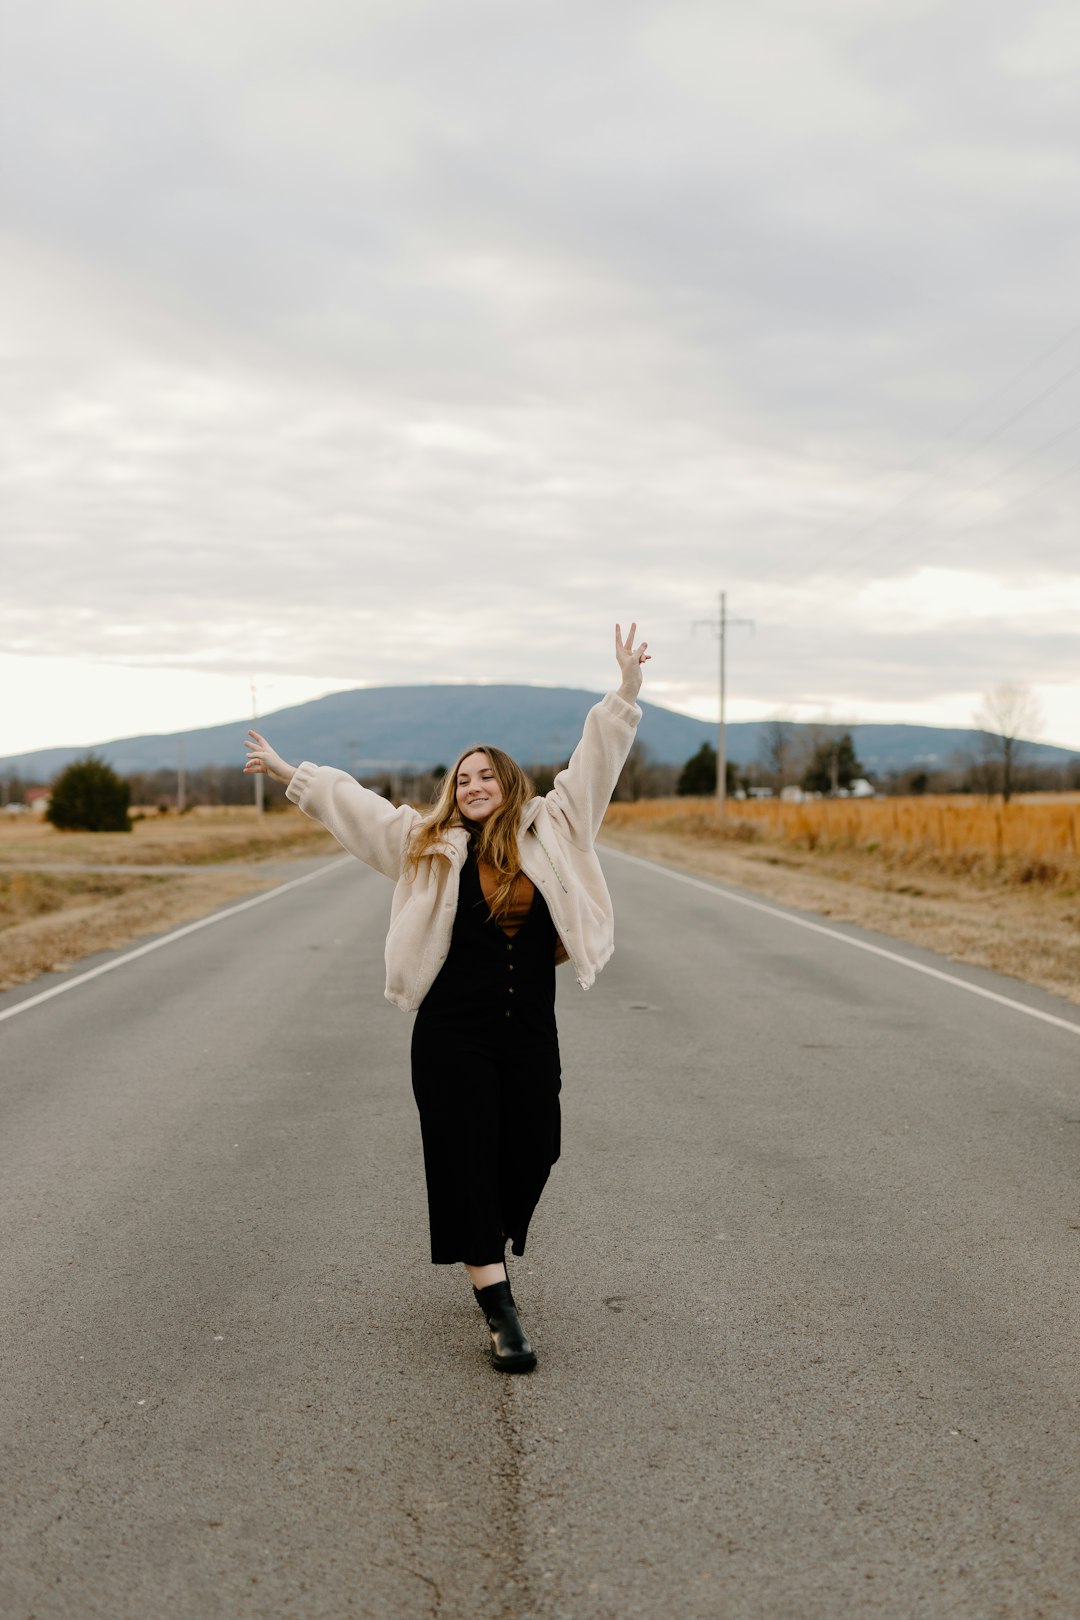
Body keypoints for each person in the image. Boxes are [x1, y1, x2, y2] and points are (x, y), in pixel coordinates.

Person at [243, 622, 650, 1372]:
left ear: (509, 783)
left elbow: (595, 764)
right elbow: (353, 806)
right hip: (451, 1035)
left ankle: (488, 1234)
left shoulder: (555, 827)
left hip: (528, 1027)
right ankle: (500, 1309)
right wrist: (289, 772)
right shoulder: (424, 844)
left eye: (484, 777)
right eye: (461, 780)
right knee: (463, 1158)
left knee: (537, 1142)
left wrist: (623, 692)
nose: (472, 788)